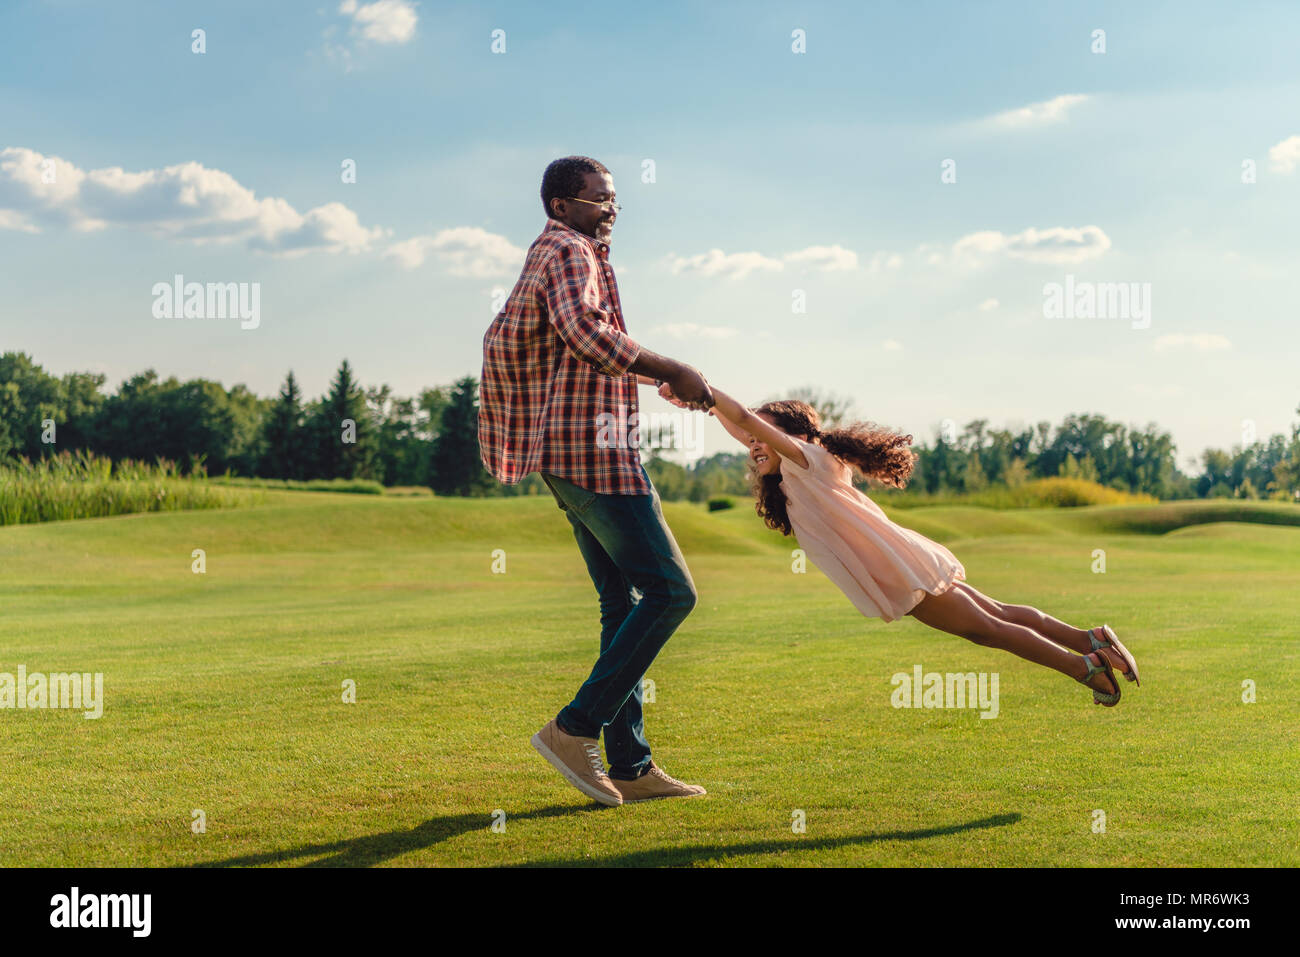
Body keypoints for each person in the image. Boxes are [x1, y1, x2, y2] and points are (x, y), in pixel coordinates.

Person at [663, 384, 1141, 706]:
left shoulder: (806, 458)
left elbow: (744, 417)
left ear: (794, 435)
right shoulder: (802, 466)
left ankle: (1085, 667)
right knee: (1000, 613)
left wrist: (700, 385)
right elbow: (742, 423)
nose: (752, 443)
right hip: (903, 557)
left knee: (988, 629)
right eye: (750, 440)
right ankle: (1089, 639)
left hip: (897, 569)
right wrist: (696, 402)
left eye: (762, 436)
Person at [479, 156, 714, 806]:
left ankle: (631, 766)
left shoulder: (561, 248)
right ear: (560, 204)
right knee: (671, 591)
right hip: (592, 453)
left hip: (569, 450)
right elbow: (584, 332)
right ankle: (574, 726)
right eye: (597, 199)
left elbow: (584, 341)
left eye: (614, 198)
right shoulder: (567, 249)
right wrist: (674, 364)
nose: (610, 208)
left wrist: (653, 376)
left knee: (622, 600)